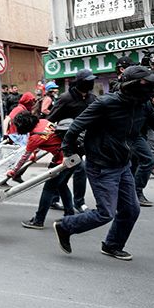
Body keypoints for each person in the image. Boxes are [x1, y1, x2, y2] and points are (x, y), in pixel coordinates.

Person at [53, 66, 154, 261]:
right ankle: (65, 226)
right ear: (134, 85)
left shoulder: (143, 105)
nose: (152, 88)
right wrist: (68, 153)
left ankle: (112, 245)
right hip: (101, 165)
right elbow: (75, 127)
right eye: (147, 83)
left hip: (123, 164)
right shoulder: (105, 103)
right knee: (105, 213)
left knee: (131, 210)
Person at [6, 112, 76, 228]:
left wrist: (14, 171)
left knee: (48, 190)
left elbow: (24, 157)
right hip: (72, 157)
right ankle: (70, 215)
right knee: (62, 185)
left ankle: (38, 220)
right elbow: (50, 139)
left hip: (62, 162)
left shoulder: (34, 138)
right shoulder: (43, 122)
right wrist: (34, 153)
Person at [47, 69, 97, 213]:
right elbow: (50, 119)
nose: (91, 83)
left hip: (83, 141)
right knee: (79, 169)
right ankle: (78, 203)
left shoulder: (92, 98)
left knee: (66, 172)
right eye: (88, 81)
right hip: (66, 141)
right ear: (80, 82)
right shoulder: (66, 98)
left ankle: (54, 198)